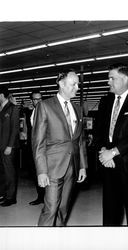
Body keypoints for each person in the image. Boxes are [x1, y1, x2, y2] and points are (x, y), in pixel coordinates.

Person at [32, 70, 87, 226]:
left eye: (78, 84)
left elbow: (80, 140)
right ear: (61, 84)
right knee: (51, 209)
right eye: (73, 84)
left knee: (63, 208)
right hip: (52, 166)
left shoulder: (78, 109)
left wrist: (82, 166)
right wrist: (41, 171)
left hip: (73, 166)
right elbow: (38, 142)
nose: (77, 87)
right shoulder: (44, 106)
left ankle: (59, 239)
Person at [97, 63, 128, 226]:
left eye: (112, 78)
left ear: (125, 79)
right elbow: (99, 131)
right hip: (108, 164)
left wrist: (114, 151)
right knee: (110, 211)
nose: (108, 82)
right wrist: (104, 151)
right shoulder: (104, 101)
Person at [0, 87, 20, 206]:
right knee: (1, 172)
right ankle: (3, 194)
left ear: (1, 95)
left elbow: (15, 129)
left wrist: (10, 146)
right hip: (0, 146)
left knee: (9, 173)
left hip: (8, 147)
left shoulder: (13, 108)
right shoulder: (1, 109)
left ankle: (11, 198)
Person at [27, 91, 45, 205]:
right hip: (33, 148)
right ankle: (40, 197)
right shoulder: (31, 112)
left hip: (44, 149)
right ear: (32, 101)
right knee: (35, 173)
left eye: (39, 99)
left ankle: (48, 198)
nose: (37, 101)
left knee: (44, 173)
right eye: (35, 99)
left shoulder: (46, 112)